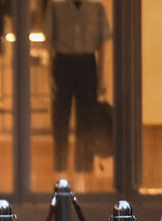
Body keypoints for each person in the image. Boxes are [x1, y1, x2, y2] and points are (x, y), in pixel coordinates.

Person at [44, 0, 112, 187]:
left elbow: (102, 43)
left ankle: (82, 171)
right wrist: (49, 73)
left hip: (87, 63)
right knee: (60, 119)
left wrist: (101, 74)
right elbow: (49, 42)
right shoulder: (56, 6)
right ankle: (60, 171)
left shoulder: (96, 7)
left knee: (86, 120)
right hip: (62, 63)